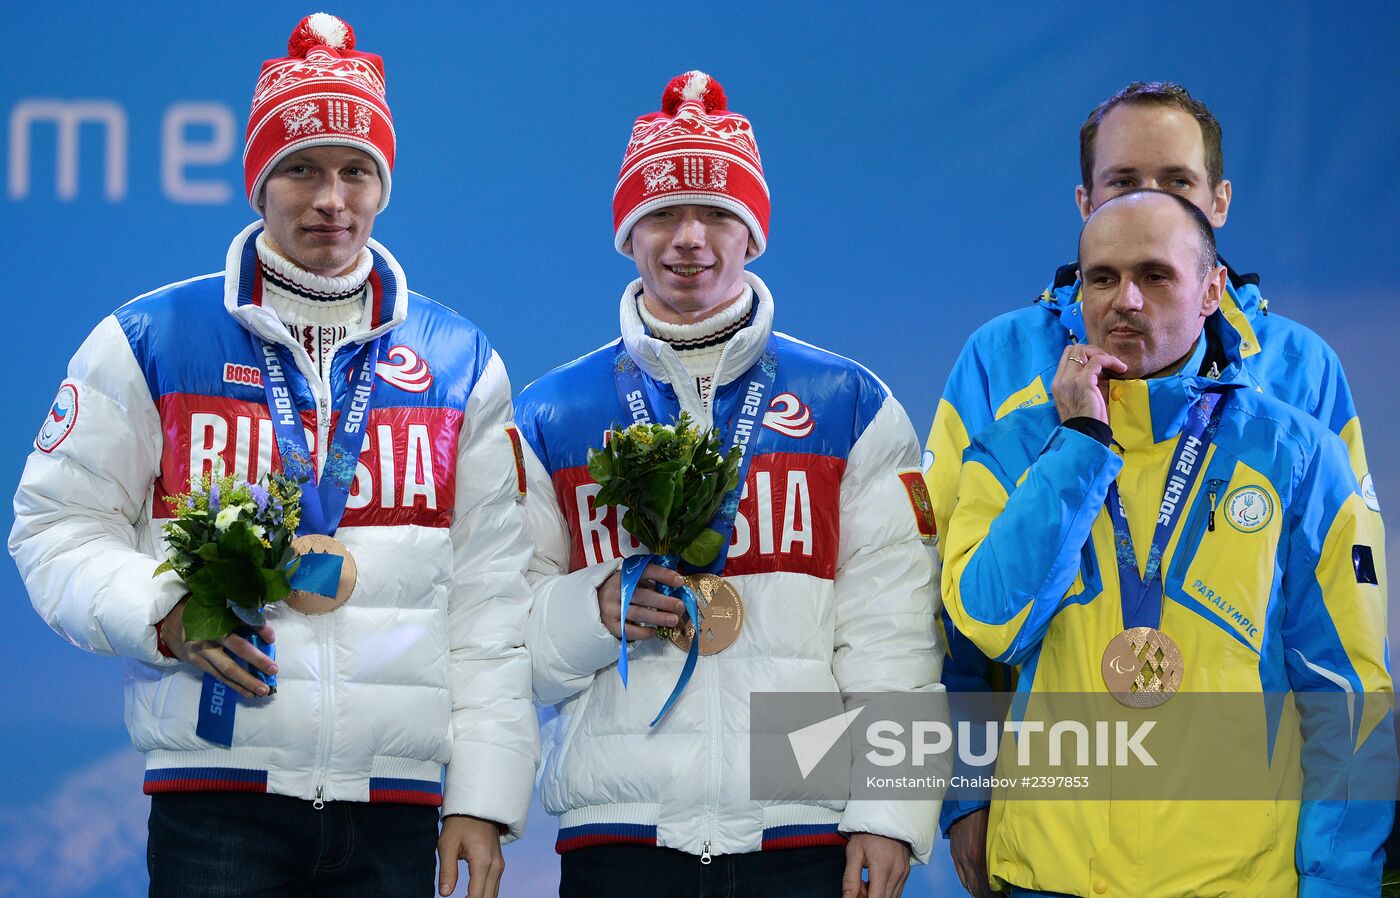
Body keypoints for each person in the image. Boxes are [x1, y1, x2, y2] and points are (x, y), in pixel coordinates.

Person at [9, 14, 536, 898]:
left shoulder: (460, 361)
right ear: (259, 182)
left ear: (383, 185)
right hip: (218, 797)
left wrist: (483, 798)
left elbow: (492, 597)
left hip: (396, 806)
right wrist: (166, 613)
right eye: (302, 168)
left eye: (355, 170)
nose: (331, 197)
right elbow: (53, 530)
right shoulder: (148, 340)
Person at [924, 81, 1386, 897]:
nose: (1126, 299)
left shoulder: (1300, 412)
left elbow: (1343, 672)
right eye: (1104, 275)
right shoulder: (1006, 392)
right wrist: (967, 788)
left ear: (1216, 221)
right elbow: (963, 620)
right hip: (1054, 851)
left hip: (1236, 863)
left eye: (1173, 184)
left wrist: (1340, 878)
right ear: (1083, 210)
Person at [515, 71, 943, 898]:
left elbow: (895, 637)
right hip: (619, 835)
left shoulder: (851, 405)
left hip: (800, 831)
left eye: (716, 213)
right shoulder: (553, 413)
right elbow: (502, 644)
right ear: (627, 234)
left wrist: (891, 814)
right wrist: (588, 611)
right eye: (662, 213)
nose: (689, 239)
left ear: (753, 233)